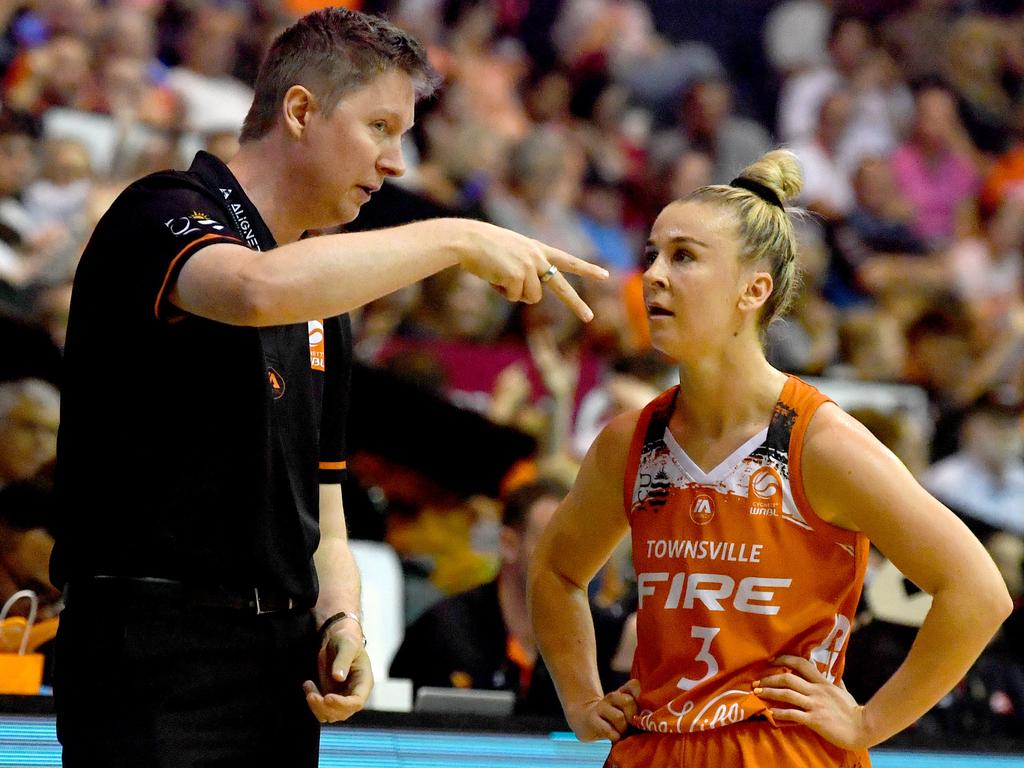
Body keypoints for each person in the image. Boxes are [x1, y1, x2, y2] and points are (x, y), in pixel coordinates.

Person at [50, 8, 607, 768]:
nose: (397, 162)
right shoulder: (161, 212)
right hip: (154, 648)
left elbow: (328, 513)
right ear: (302, 111)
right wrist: (455, 234)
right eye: (380, 126)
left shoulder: (323, 300)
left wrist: (342, 619)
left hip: (280, 663)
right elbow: (251, 290)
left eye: (404, 134)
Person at [529, 149, 1012, 767]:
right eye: (652, 253)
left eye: (684, 257)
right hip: (650, 749)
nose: (653, 274)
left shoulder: (821, 442)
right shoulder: (631, 442)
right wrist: (580, 698)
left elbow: (977, 592)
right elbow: (556, 571)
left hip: (776, 750)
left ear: (753, 290)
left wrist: (869, 722)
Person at [389, 478, 630, 716]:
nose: (573, 557)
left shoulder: (606, 634)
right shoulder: (444, 631)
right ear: (509, 544)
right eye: (553, 542)